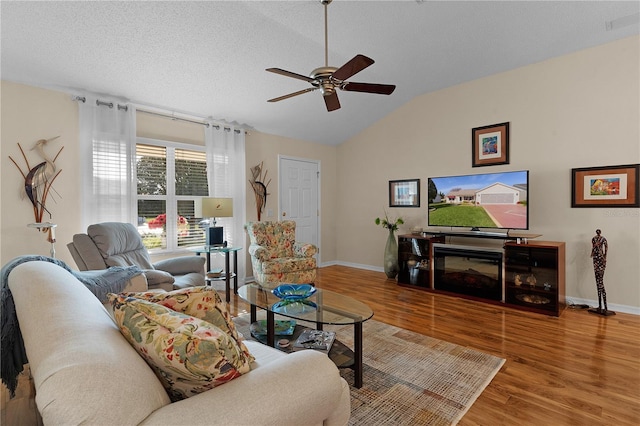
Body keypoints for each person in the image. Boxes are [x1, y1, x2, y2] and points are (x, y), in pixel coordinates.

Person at [590, 229, 609, 313]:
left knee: (600, 282)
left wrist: (604, 256)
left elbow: (606, 247)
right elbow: (593, 248)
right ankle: (600, 306)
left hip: (601, 260)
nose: (598, 233)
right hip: (595, 260)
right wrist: (593, 253)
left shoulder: (603, 239)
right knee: (597, 282)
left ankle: (605, 307)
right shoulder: (593, 239)